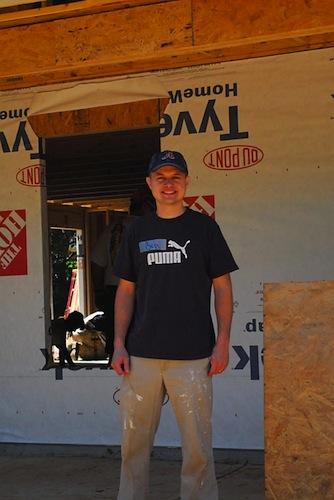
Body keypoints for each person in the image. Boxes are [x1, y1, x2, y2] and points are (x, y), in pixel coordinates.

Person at [111, 150, 239, 500]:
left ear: (187, 182)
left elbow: (223, 286)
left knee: (198, 449)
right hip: (141, 356)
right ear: (150, 184)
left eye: (176, 177)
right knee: (133, 445)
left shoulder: (204, 228)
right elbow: (125, 291)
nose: (169, 184)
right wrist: (119, 343)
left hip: (194, 355)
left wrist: (223, 341)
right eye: (161, 178)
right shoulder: (137, 230)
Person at [91, 187, 155, 366]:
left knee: (117, 342)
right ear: (147, 206)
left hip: (114, 290)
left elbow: (97, 262)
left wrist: (98, 290)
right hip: (144, 291)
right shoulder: (151, 228)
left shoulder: (113, 229)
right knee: (146, 342)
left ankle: (114, 379)